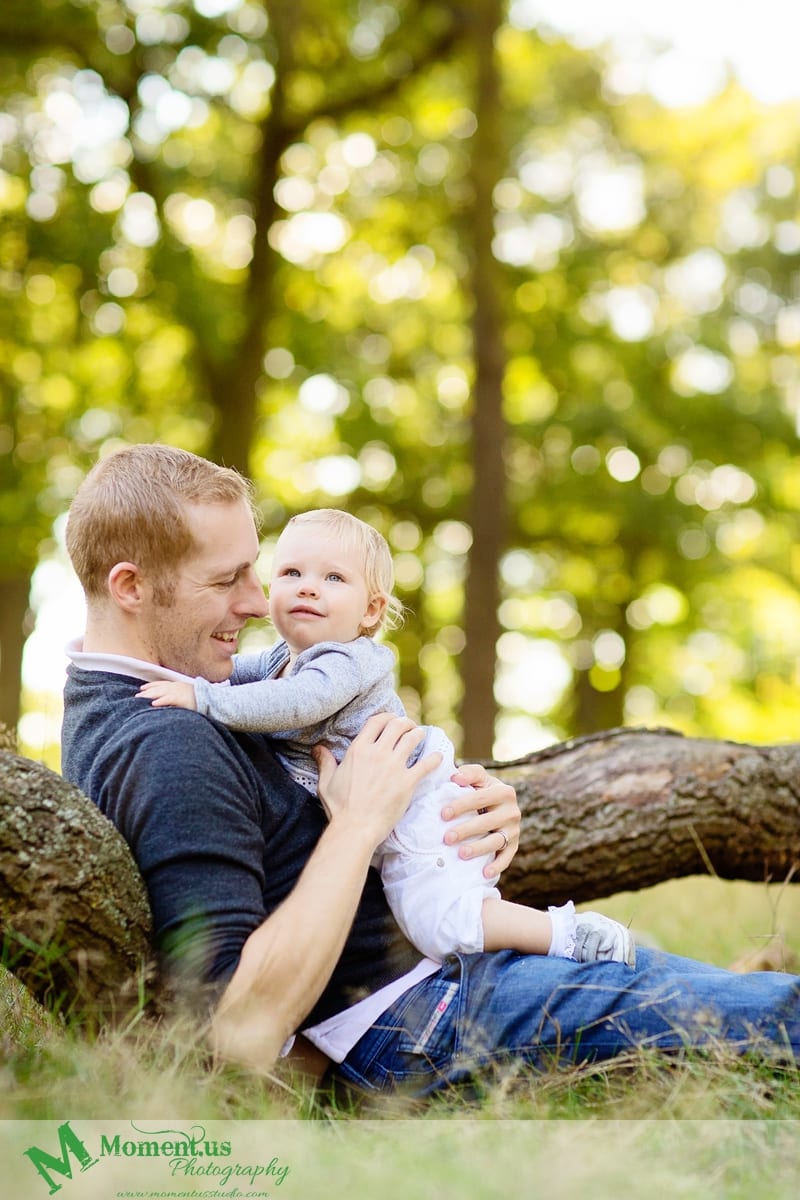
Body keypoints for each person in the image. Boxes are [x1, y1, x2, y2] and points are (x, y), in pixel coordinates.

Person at [61, 444, 800, 1098]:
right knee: (761, 1014)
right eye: (227, 580)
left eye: (257, 571)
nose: (259, 603)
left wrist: (457, 799)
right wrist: (359, 824)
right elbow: (241, 1034)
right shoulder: (168, 739)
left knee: (714, 996)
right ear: (129, 586)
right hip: (421, 1020)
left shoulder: (149, 698)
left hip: (438, 978)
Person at [137, 507, 634, 969]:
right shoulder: (280, 660)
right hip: (384, 804)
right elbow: (234, 675)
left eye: (333, 578)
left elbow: (295, 704)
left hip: (418, 806)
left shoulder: (348, 660)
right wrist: (184, 672)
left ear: (371, 611)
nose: (308, 588)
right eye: (292, 573)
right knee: (440, 920)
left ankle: (566, 934)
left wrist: (202, 699)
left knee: (443, 926)